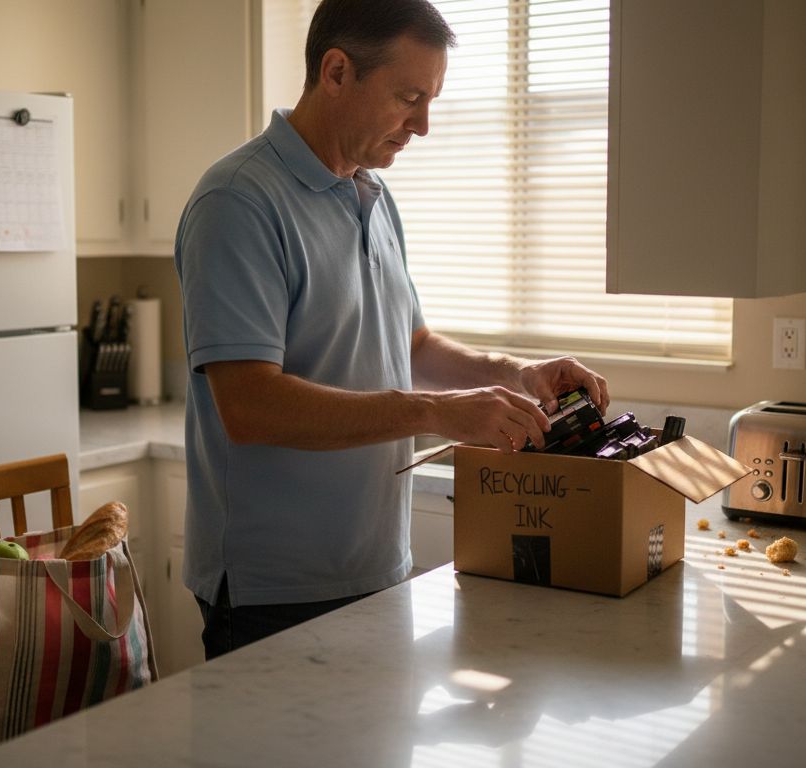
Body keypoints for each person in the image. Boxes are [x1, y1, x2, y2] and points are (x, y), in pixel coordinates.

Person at [175, 0, 609, 660]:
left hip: (376, 567)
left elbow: (411, 345)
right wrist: (440, 413)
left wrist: (512, 373)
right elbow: (250, 406)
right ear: (337, 71)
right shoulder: (238, 202)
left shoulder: (372, 195)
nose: (424, 126)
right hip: (277, 590)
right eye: (409, 97)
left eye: (431, 100)